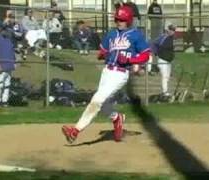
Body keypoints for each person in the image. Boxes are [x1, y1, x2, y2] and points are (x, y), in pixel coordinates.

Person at [61, 5, 150, 144]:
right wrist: (103, 54)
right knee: (102, 104)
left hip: (120, 73)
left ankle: (75, 130)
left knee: (97, 100)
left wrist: (129, 60)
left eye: (121, 19)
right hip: (107, 71)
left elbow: (145, 55)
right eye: (117, 19)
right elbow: (102, 52)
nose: (118, 22)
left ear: (128, 20)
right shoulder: (111, 34)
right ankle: (117, 118)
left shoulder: (136, 35)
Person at [0, 22, 17, 107]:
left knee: (7, 84)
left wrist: (14, 62)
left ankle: (5, 101)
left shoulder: (9, 39)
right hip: (1, 65)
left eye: (5, 29)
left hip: (9, 65)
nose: (5, 31)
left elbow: (12, 52)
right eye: (3, 29)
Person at [151, 23, 176, 97]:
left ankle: (165, 91)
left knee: (167, 77)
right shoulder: (163, 37)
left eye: (173, 30)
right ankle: (164, 92)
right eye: (171, 29)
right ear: (167, 29)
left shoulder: (172, 38)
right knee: (165, 76)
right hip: (162, 60)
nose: (172, 31)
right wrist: (156, 53)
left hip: (168, 61)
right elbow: (154, 43)